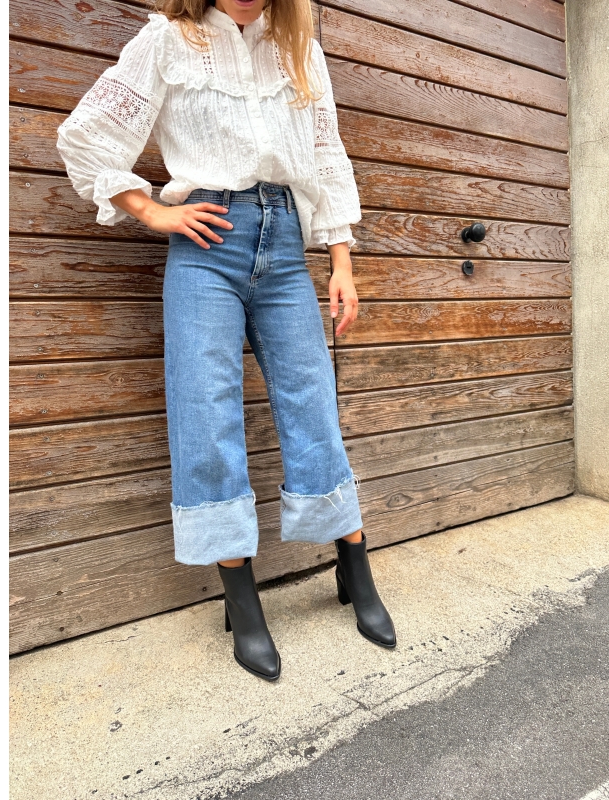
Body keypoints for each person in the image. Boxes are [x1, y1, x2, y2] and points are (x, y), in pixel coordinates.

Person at [56, 0, 395, 681]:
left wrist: (342, 262)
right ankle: (241, 599)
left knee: (312, 401)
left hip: (285, 241)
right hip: (207, 243)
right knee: (206, 413)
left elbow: (326, 153)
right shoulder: (167, 40)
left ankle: (353, 562)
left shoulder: (300, 47)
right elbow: (87, 134)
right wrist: (152, 210)